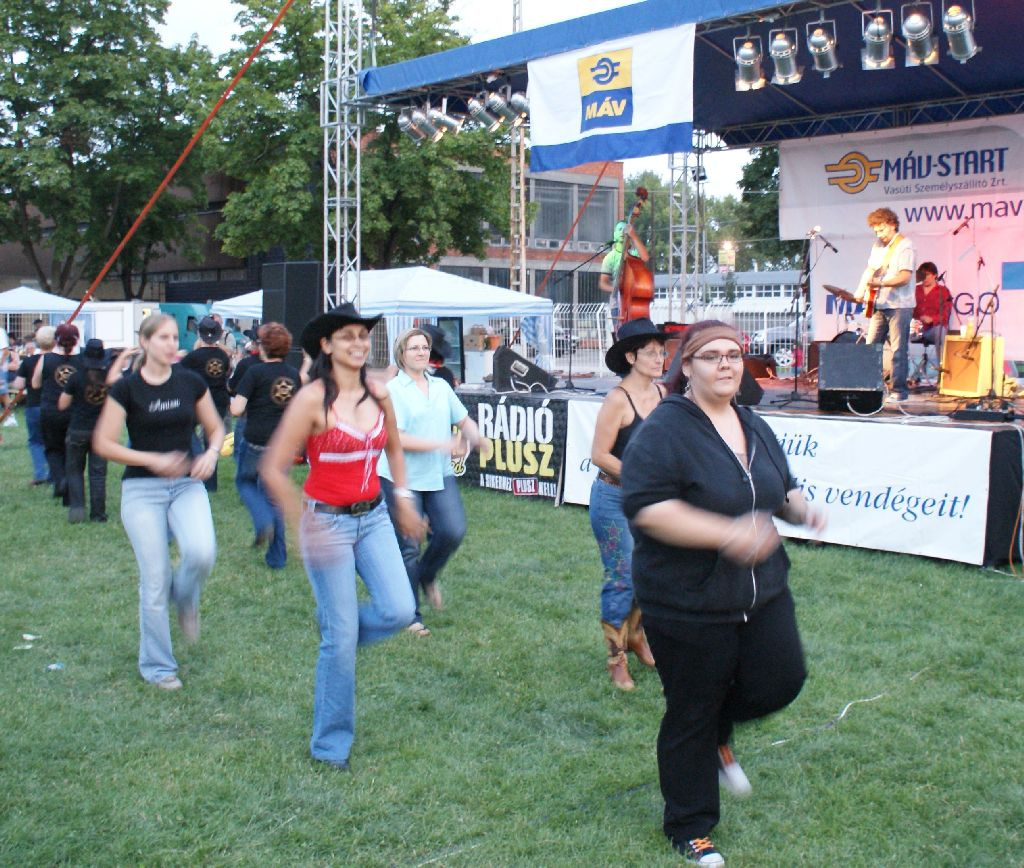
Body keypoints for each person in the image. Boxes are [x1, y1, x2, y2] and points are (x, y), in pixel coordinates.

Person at [621, 321, 826, 867]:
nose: (726, 365)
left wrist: (799, 507)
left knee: (782, 679)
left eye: (734, 355)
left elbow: (780, 486)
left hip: (763, 591)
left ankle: (716, 732)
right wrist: (727, 534)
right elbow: (647, 508)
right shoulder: (665, 429)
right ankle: (690, 825)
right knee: (691, 709)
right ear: (685, 367)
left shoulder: (751, 422)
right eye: (711, 356)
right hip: (687, 600)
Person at [260, 302, 423, 772]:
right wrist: (302, 524)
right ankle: (330, 746)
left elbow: (393, 447)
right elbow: (272, 468)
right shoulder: (311, 399)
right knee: (341, 639)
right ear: (327, 346)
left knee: (397, 609)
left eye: (363, 335)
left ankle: (339, 632)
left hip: (373, 518)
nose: (358, 343)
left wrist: (405, 500)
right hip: (326, 523)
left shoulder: (378, 392)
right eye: (347, 336)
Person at [93, 313, 224, 691]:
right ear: (145, 342)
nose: (171, 343)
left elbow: (215, 428)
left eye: (173, 337)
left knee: (201, 552)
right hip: (142, 491)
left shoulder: (191, 382)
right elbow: (104, 443)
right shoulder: (127, 389)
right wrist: (152, 460)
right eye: (162, 337)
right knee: (154, 581)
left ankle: (184, 598)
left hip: (186, 486)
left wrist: (212, 453)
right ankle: (158, 666)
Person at [377, 327, 490, 637]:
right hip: (401, 477)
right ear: (401, 354)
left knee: (452, 530)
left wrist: (476, 436)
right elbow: (395, 438)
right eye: (414, 348)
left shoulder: (440, 386)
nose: (421, 352)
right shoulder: (393, 390)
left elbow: (463, 419)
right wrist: (441, 445)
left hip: (437, 475)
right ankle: (410, 615)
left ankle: (427, 576)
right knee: (408, 546)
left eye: (424, 347)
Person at [589, 318, 667, 690]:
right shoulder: (617, 399)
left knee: (652, 574)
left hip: (651, 502)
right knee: (622, 576)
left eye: (662, 351)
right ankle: (615, 657)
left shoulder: (664, 395)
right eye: (651, 352)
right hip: (614, 498)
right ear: (631, 356)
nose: (660, 358)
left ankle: (635, 634)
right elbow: (599, 454)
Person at [229, 322, 300, 569]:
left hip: (257, 440)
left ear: (262, 348)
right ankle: (277, 557)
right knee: (274, 498)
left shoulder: (254, 373)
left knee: (245, 480)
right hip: (283, 444)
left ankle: (262, 522)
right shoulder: (293, 374)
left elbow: (237, 409)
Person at [57, 339, 124, 523]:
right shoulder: (110, 379)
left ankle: (77, 509)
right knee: (98, 474)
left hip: (78, 429)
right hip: (100, 433)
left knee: (75, 471)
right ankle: (98, 514)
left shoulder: (76, 378)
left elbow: (62, 405)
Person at [854, 207, 916, 404]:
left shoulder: (905, 246)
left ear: (892, 224)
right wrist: (860, 291)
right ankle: (868, 387)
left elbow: (905, 277)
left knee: (898, 349)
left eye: (881, 230)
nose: (878, 234)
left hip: (899, 304)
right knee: (870, 347)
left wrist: (879, 284)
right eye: (876, 231)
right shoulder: (878, 246)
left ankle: (899, 391)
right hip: (880, 303)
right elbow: (870, 270)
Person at [181, 316, 232, 491]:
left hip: (198, 401)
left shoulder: (192, 357)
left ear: (200, 335)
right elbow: (225, 372)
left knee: (188, 433)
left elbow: (180, 373)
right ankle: (210, 483)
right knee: (212, 442)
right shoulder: (223, 356)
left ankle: (192, 469)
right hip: (219, 400)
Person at [32, 323, 82, 503]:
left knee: (53, 449)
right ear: (77, 339)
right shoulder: (82, 360)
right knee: (72, 451)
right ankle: (68, 492)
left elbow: (36, 384)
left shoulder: (46, 359)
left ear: (56, 339)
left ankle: (60, 479)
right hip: (75, 412)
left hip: (51, 411)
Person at [599, 220, 650, 333]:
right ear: (614, 234)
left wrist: (634, 236)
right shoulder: (609, 257)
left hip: (634, 302)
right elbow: (602, 283)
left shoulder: (635, 254)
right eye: (619, 229)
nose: (622, 232)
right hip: (617, 304)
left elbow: (645, 258)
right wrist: (617, 289)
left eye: (624, 229)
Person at [11, 337, 49, 485]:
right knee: (55, 442)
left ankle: (40, 474)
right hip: (54, 406)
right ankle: (54, 474)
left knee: (36, 441)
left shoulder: (28, 361)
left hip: (34, 405)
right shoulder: (60, 360)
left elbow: (19, 384)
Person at [913, 261, 953, 347]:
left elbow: (946, 315)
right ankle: (901, 360)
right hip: (914, 329)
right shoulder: (914, 289)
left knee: (940, 331)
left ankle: (942, 360)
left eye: (927, 275)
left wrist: (932, 319)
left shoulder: (943, 291)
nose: (924, 278)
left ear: (935, 275)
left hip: (932, 330)